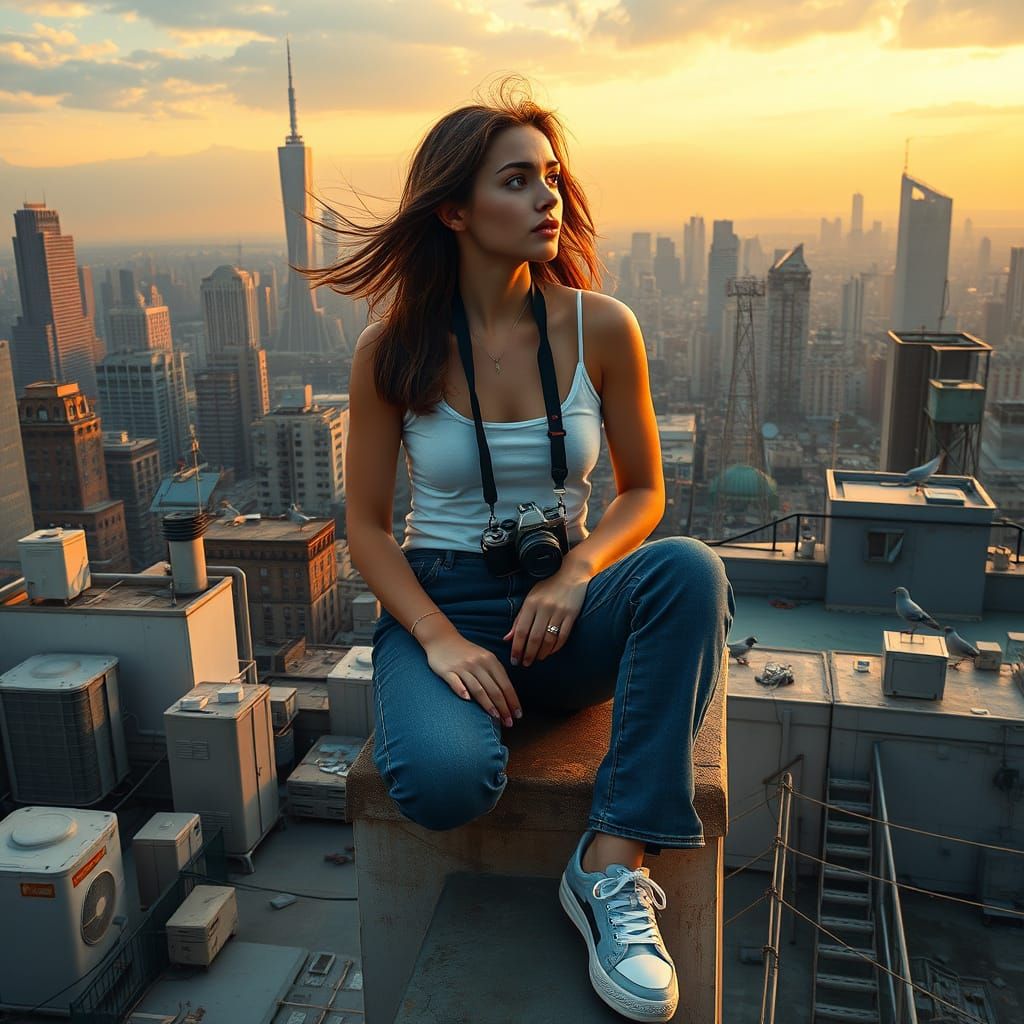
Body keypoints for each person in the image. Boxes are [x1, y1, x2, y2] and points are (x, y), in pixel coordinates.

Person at [309, 78, 735, 1023]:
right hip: (446, 609)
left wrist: (580, 569)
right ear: (455, 210)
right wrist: (438, 640)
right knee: (443, 781)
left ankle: (611, 864)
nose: (547, 198)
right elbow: (369, 528)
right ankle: (467, 708)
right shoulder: (393, 352)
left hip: (566, 609)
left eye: (550, 177)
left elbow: (643, 492)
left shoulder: (603, 327)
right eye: (516, 181)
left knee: (690, 571)